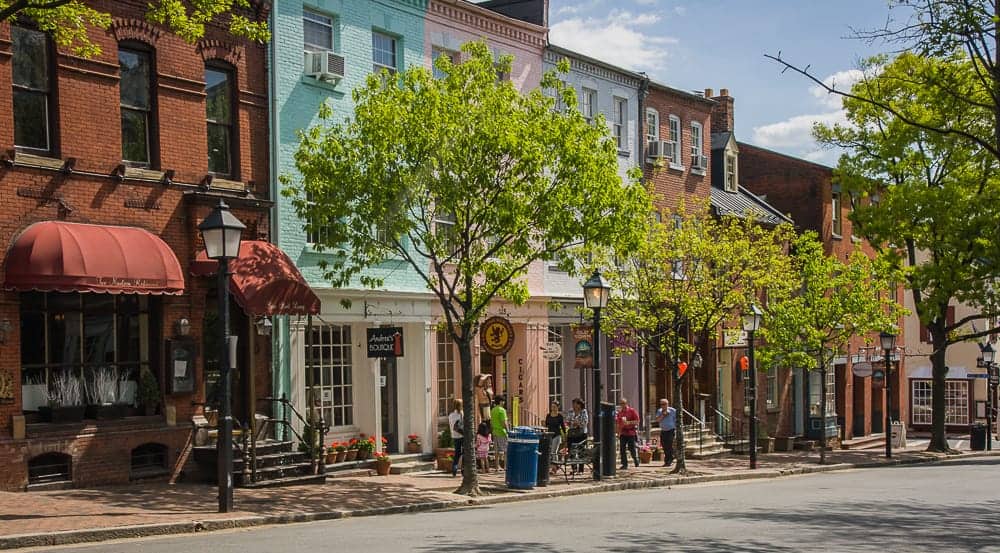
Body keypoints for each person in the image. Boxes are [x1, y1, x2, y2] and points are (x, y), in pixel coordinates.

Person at [565, 398, 589, 473]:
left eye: (575, 404)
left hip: (581, 434)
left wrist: (578, 423)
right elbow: (567, 421)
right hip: (572, 433)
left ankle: (581, 469)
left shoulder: (583, 411)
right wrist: (572, 423)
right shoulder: (570, 411)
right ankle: (574, 468)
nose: (573, 405)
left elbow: (585, 422)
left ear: (579, 404)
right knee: (571, 451)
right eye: (573, 404)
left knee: (581, 451)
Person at [616, 397, 640, 469]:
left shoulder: (631, 411)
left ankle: (635, 459)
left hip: (631, 432)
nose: (622, 405)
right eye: (620, 404)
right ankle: (624, 464)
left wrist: (629, 423)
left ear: (626, 403)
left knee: (631, 448)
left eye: (623, 403)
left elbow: (637, 421)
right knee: (622, 449)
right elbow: (618, 423)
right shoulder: (620, 413)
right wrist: (618, 432)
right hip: (623, 432)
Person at [654, 398, 677, 467]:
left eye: (664, 404)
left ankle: (669, 460)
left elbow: (676, 420)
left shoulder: (673, 410)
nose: (662, 406)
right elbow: (657, 420)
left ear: (667, 404)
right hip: (663, 430)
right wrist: (663, 415)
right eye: (661, 404)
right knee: (664, 445)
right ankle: (669, 458)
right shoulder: (659, 411)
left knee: (669, 444)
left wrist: (676, 428)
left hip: (671, 430)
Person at [490, 395, 509, 470]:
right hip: (502, 432)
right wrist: (508, 431)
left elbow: (491, 422)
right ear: (500, 401)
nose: (504, 402)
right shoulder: (502, 410)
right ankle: (505, 466)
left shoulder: (493, 410)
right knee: (505, 450)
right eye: (503, 401)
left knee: (496, 451)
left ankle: (497, 467)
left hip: (495, 431)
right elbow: (504, 422)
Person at [545, 401, 566, 468]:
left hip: (557, 435)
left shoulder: (560, 416)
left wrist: (565, 436)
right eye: (552, 406)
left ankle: (555, 467)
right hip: (549, 435)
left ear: (558, 407)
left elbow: (563, 427)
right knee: (550, 451)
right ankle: (554, 466)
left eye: (554, 407)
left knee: (553, 451)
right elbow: (546, 425)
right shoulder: (548, 415)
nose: (553, 408)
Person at [448, 399, 464, 477]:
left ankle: (454, 469)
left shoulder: (451, 415)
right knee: (464, 453)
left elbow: (451, 426)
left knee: (457, 453)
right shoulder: (462, 414)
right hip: (462, 435)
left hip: (454, 436)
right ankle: (463, 470)